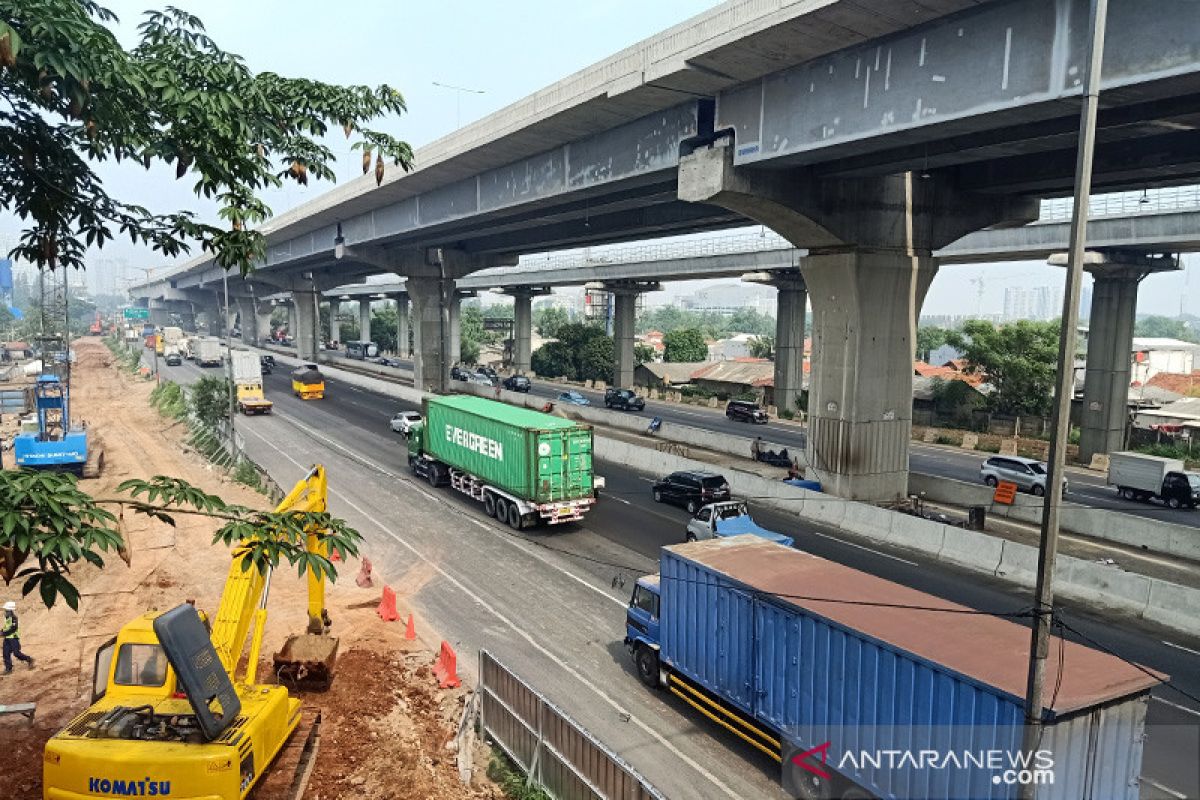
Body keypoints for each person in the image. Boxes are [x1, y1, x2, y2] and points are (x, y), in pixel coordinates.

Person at [1, 601, 34, 675]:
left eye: (6, 610)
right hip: (7, 638)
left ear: (10, 610)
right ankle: (8, 669)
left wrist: (3, 633)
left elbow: (13, 628)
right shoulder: (7, 618)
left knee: (16, 653)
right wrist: (2, 631)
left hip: (14, 639)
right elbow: (6, 627)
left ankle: (29, 659)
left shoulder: (14, 618)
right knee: (5, 654)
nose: (5, 612)